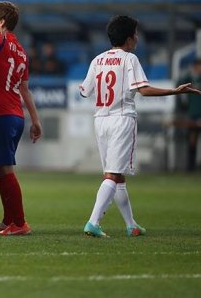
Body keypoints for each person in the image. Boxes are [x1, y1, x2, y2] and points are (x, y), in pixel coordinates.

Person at [79, 15, 201, 238]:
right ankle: (93, 222)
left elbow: (84, 91)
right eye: (135, 33)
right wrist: (176, 90)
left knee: (118, 175)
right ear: (128, 38)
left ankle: (131, 224)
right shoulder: (129, 59)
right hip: (122, 118)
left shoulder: (97, 60)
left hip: (101, 120)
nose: (137, 37)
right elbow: (143, 90)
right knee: (113, 175)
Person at [0, 1, 42, 236]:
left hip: (2, 115)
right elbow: (25, 89)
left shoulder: (1, 41)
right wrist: (35, 120)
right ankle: (9, 220)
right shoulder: (22, 52)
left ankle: (20, 223)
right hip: (14, 114)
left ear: (1, 22)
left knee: (5, 171)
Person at [177, 58, 201, 171]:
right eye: (198, 66)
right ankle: (190, 167)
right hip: (193, 114)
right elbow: (178, 84)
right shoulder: (190, 78)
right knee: (192, 141)